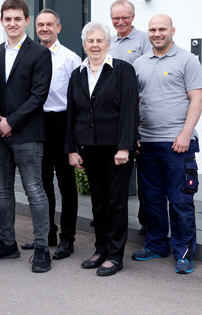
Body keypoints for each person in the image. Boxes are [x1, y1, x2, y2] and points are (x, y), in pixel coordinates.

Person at [0, 0, 53, 273]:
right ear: (2, 21)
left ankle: (42, 248)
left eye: (17, 19)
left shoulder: (39, 53)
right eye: (7, 19)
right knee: (2, 190)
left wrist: (11, 121)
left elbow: (39, 95)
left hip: (27, 134)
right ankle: (7, 243)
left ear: (26, 21)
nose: (12, 23)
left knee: (35, 190)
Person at [131, 14, 202, 275]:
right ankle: (155, 245)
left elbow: (197, 99)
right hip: (146, 143)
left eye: (162, 29)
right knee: (151, 200)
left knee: (180, 201)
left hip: (177, 144)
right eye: (152, 29)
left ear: (173, 30)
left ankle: (184, 253)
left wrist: (186, 134)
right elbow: (135, 102)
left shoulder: (187, 60)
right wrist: (133, 135)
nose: (157, 33)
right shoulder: (139, 63)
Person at [65, 21, 139, 277]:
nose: (94, 45)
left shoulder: (122, 70)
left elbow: (130, 111)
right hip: (89, 148)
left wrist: (125, 147)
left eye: (99, 41)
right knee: (97, 202)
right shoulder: (78, 74)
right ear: (84, 45)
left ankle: (115, 254)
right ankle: (101, 249)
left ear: (108, 44)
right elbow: (71, 115)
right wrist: (72, 149)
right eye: (90, 41)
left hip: (116, 150)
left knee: (116, 202)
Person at [20, 9, 82, 261]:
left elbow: (77, 101)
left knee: (67, 186)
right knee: (41, 184)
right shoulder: (30, 55)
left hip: (62, 123)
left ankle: (68, 238)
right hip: (36, 123)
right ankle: (47, 235)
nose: (44, 28)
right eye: (40, 24)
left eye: (49, 24)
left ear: (59, 27)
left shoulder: (71, 59)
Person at [109, 0, 151, 234]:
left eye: (125, 17)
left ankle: (146, 221)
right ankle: (112, 216)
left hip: (138, 114)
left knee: (144, 173)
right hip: (113, 117)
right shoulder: (109, 42)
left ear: (133, 17)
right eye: (116, 17)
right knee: (115, 172)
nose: (120, 21)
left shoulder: (144, 40)